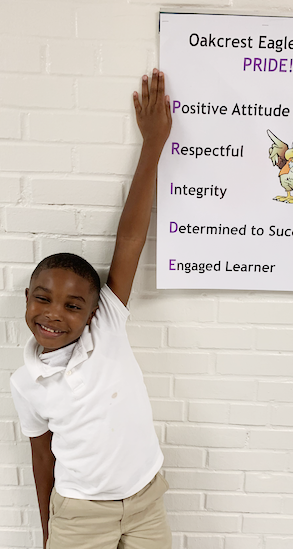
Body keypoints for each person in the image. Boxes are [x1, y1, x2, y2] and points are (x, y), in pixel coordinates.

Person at [10, 69, 172, 549]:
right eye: (43, 297)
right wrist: (47, 529)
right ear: (27, 299)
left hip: (145, 502)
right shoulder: (25, 384)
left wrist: (153, 145)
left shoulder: (109, 327)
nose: (54, 314)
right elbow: (42, 460)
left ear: (94, 310)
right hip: (79, 517)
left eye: (73, 304)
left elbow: (130, 238)